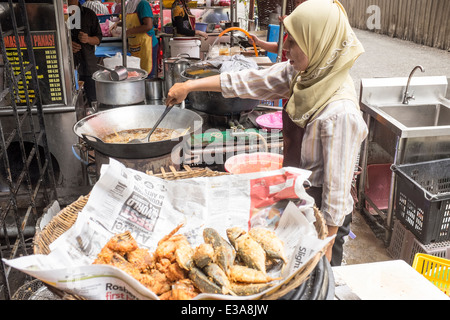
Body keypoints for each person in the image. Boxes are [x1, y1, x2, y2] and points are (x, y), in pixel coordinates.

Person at [166, 0, 368, 266]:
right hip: (300, 198)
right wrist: (190, 85)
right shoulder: (304, 74)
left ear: (319, 43)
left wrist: (326, 246)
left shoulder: (339, 112)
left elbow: (337, 194)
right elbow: (249, 81)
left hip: (324, 218)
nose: (285, 48)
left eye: (294, 42)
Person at [69, 0, 103, 104]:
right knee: (72, 102)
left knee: (93, 100)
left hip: (88, 66)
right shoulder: (58, 16)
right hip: (67, 68)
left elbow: (98, 38)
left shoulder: (89, 14)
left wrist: (88, 39)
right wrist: (68, 45)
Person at [123, 0, 159, 78]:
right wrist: (117, 23)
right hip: (135, 44)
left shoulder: (143, 4)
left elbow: (148, 26)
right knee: (136, 74)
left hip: (147, 45)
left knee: (147, 73)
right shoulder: (129, 5)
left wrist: (130, 31)